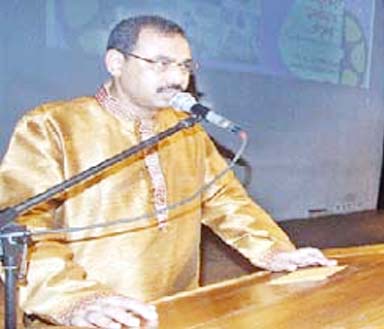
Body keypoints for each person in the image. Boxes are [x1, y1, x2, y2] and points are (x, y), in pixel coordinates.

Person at [0, 15, 335, 328]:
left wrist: (273, 251)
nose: (177, 78)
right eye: (161, 64)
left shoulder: (186, 130)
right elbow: (23, 225)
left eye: (184, 66)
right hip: (94, 317)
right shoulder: (53, 126)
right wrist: (74, 299)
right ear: (116, 63)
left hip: (177, 312)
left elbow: (225, 200)